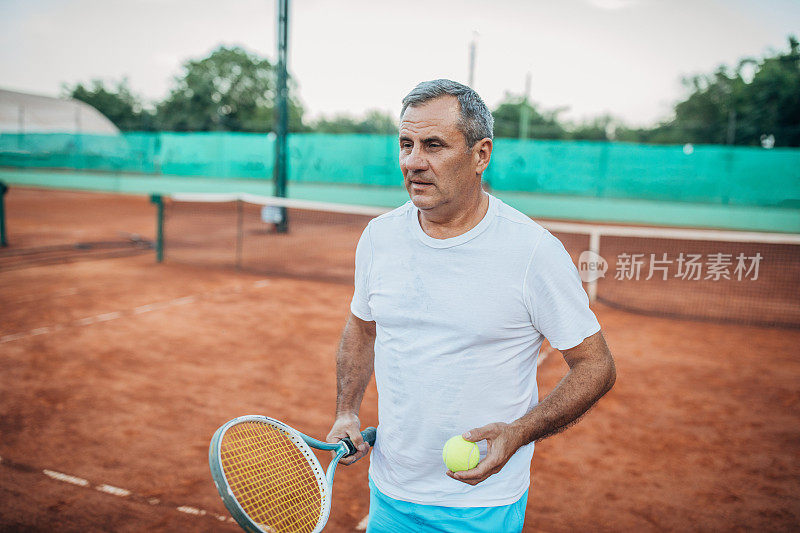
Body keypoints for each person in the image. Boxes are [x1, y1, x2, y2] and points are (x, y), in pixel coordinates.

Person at [327, 79, 616, 532]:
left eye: (434, 145)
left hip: (481, 505)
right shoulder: (378, 237)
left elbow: (595, 365)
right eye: (406, 144)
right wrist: (347, 410)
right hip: (389, 490)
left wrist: (519, 432)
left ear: (481, 154)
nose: (413, 162)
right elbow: (363, 328)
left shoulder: (532, 252)